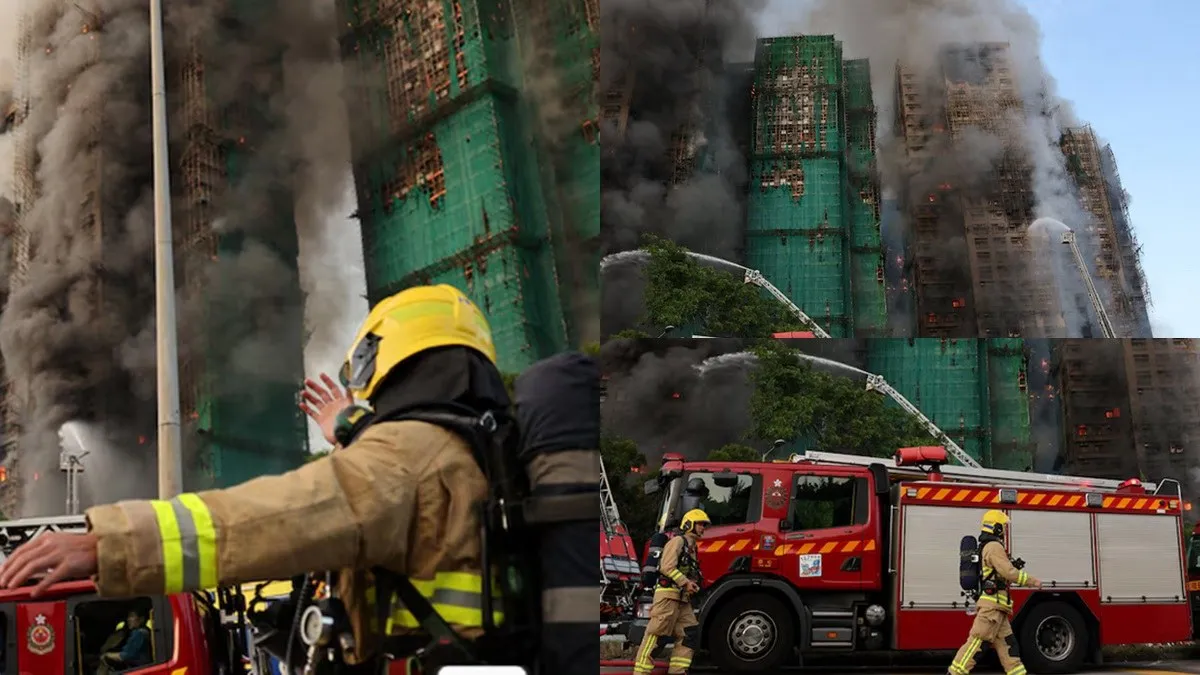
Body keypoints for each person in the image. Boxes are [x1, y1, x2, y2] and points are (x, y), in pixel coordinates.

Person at [0, 284, 511, 673]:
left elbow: (281, 517)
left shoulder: (411, 454)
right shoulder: (485, 450)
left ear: (383, 359)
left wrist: (112, 543)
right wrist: (354, 433)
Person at [948, 510, 1042, 675]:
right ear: (996, 527)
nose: (1004, 530)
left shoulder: (988, 546)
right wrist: (1032, 581)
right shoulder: (994, 546)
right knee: (977, 643)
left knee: (1008, 647)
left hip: (998, 608)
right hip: (992, 607)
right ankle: (955, 673)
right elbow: (1008, 572)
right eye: (1003, 526)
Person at [633, 509, 709, 675]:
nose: (703, 528)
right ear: (688, 525)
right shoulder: (677, 542)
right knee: (656, 634)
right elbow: (667, 567)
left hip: (682, 598)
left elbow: (688, 571)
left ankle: (677, 671)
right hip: (668, 595)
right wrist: (685, 582)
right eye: (701, 524)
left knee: (689, 633)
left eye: (704, 525)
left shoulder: (692, 547)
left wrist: (694, 583)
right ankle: (641, 672)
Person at [97, 608, 152, 674]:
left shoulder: (139, 633)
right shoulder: (144, 631)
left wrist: (107, 655)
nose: (128, 619)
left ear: (141, 619)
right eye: (128, 617)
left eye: (132, 616)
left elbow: (125, 656)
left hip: (139, 669)